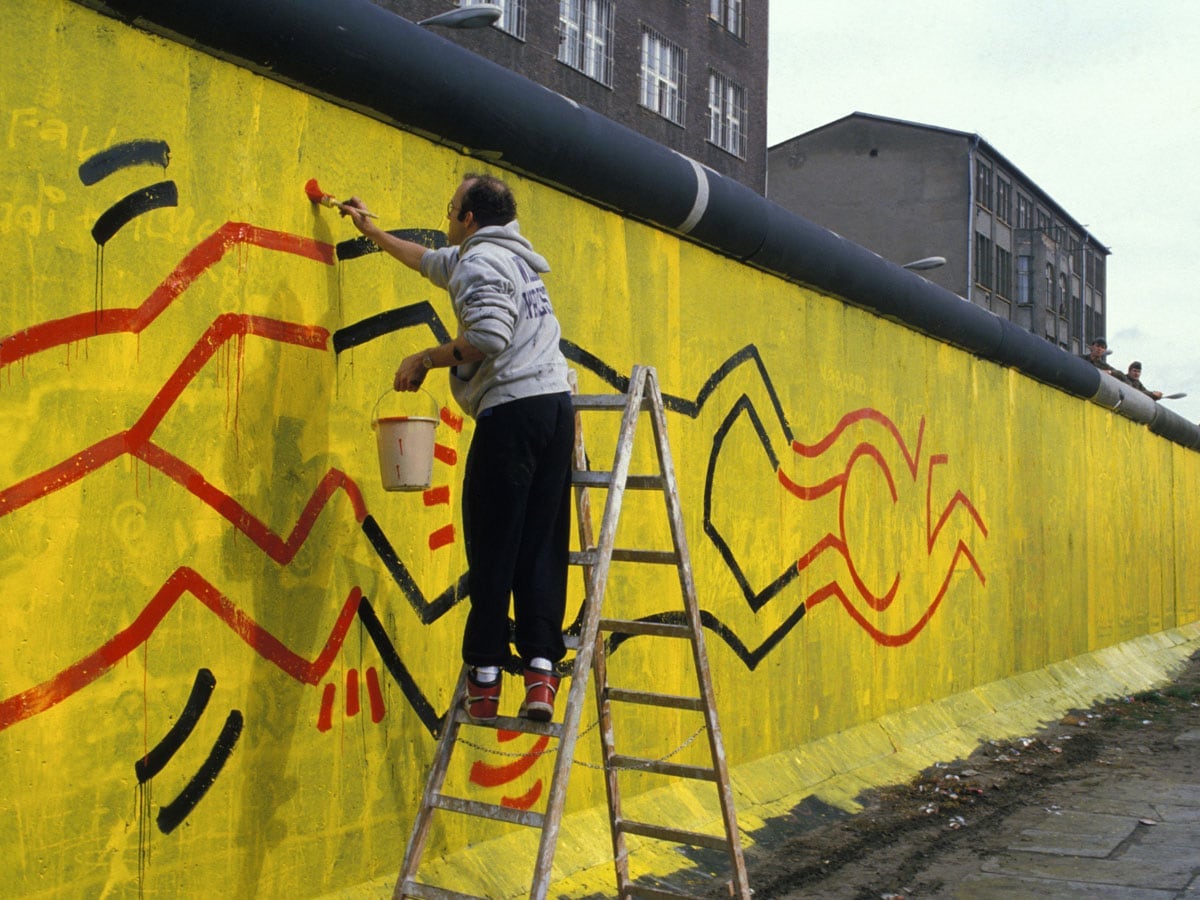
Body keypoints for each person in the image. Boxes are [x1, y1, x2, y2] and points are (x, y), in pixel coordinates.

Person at [342, 174, 573, 725]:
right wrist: (370, 228)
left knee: (495, 543)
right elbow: (427, 260)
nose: (447, 218)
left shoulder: (479, 264)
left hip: (513, 414)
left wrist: (425, 358)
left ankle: (486, 676)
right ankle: (541, 673)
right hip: (555, 409)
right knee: (543, 543)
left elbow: (489, 335)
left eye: (451, 209)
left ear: (468, 218)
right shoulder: (506, 257)